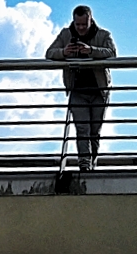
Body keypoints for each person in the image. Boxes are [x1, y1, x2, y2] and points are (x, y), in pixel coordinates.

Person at [47, 6, 117, 171]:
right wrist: (64, 52)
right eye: (77, 25)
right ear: (74, 21)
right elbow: (49, 53)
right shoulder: (65, 35)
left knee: (94, 131)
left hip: (99, 91)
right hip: (77, 90)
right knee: (82, 129)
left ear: (90, 20)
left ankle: (92, 163)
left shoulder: (103, 35)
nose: (80, 28)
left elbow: (112, 53)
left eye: (84, 24)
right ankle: (85, 166)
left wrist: (91, 51)